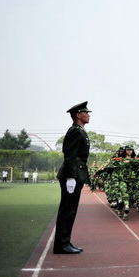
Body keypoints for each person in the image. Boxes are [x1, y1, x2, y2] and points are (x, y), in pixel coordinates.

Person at [54, 101, 92, 254]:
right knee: (68, 210)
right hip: (73, 174)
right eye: (86, 112)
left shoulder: (80, 130)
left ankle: (65, 242)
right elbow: (70, 155)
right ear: (78, 115)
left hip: (77, 173)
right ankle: (61, 245)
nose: (88, 115)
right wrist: (71, 177)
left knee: (71, 210)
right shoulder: (75, 131)